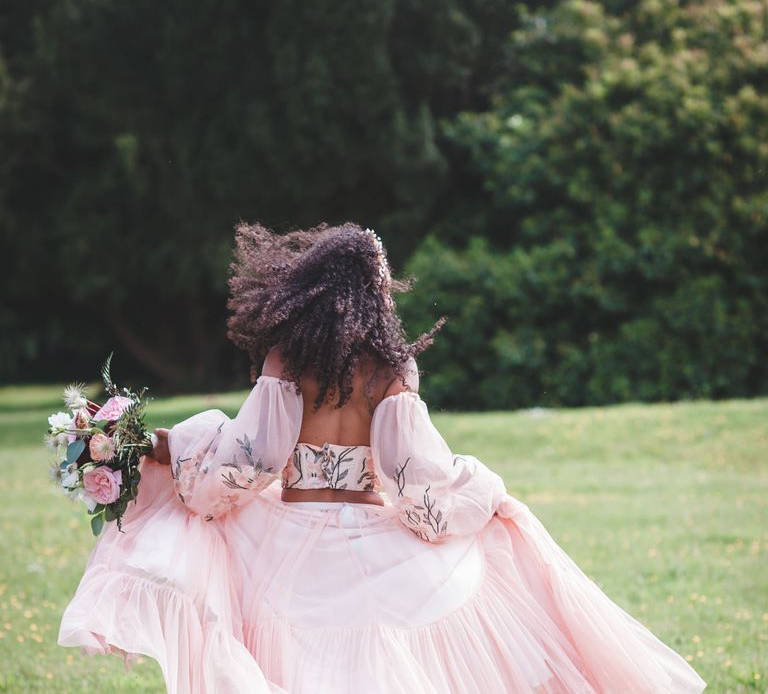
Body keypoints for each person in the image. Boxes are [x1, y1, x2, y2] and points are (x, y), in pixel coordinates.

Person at [59, 222, 707, 693]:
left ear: (310, 286)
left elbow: (247, 462)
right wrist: (474, 493)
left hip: (287, 542)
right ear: (376, 293)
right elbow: (418, 481)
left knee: (300, 661)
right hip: (373, 539)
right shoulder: (391, 371)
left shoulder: (287, 360)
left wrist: (175, 457)